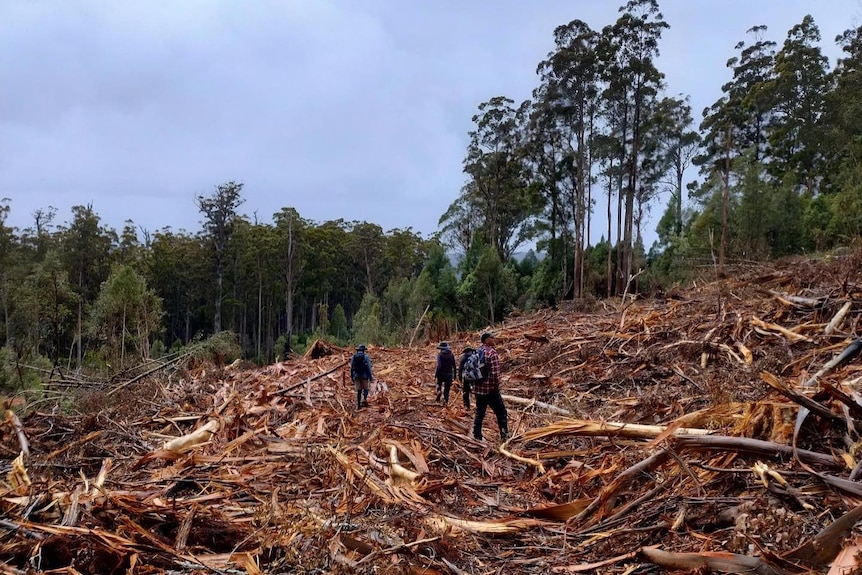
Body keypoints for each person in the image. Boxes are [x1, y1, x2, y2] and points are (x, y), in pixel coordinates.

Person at [472, 332, 508, 442]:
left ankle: (477, 435)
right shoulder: (492, 353)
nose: (494, 339)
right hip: (491, 390)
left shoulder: (476, 352)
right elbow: (495, 374)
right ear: (487, 340)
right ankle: (504, 434)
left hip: (478, 389)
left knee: (480, 412)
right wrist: (495, 387)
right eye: (492, 338)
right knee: (501, 412)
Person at [350, 344, 374, 409]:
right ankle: (364, 400)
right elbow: (369, 368)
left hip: (356, 376)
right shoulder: (366, 357)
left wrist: (352, 377)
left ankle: (358, 405)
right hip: (364, 376)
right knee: (366, 388)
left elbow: (351, 368)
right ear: (363, 350)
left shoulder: (353, 357)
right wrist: (370, 377)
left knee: (359, 390)